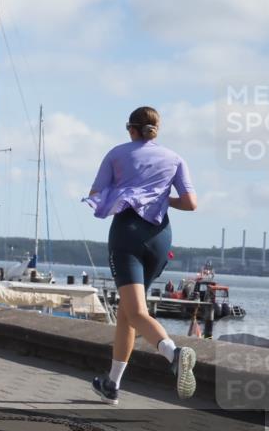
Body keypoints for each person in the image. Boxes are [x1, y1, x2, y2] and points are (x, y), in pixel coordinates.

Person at [84, 106, 198, 404]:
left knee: (135, 312)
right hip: (160, 237)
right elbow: (190, 203)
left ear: (131, 129)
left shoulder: (117, 154)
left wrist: (124, 195)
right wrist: (161, 197)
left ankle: (174, 354)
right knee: (128, 312)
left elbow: (96, 195)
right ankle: (112, 383)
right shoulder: (174, 159)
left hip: (127, 233)